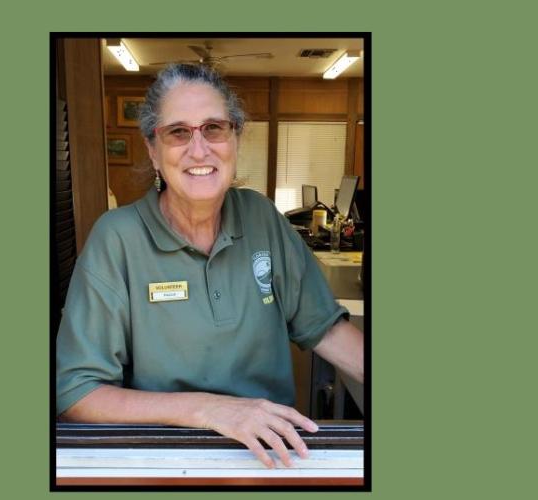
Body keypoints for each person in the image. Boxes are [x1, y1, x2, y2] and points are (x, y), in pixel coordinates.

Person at [56, 63, 364, 469]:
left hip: (271, 457)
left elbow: (325, 329)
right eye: (178, 132)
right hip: (163, 461)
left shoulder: (262, 217)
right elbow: (76, 394)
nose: (198, 150)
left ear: (235, 137)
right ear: (152, 148)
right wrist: (209, 410)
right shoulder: (117, 239)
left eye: (214, 128)